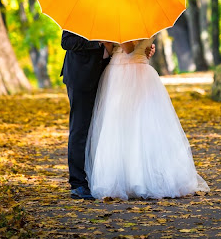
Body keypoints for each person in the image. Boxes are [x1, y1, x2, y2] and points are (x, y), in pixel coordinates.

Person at [85, 36, 209, 200]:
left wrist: (109, 35)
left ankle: (140, 179)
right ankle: (128, 178)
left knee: (138, 125)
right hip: (124, 71)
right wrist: (107, 41)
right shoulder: (143, 21)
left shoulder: (129, 23)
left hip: (130, 74)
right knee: (121, 126)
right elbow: (113, 50)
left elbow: (128, 48)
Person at [60, 31, 154, 200]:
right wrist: (98, 43)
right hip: (81, 75)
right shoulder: (83, 9)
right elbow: (67, 42)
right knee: (81, 128)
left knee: (102, 129)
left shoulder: (115, 12)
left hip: (109, 75)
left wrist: (143, 47)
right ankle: (78, 184)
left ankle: (96, 177)